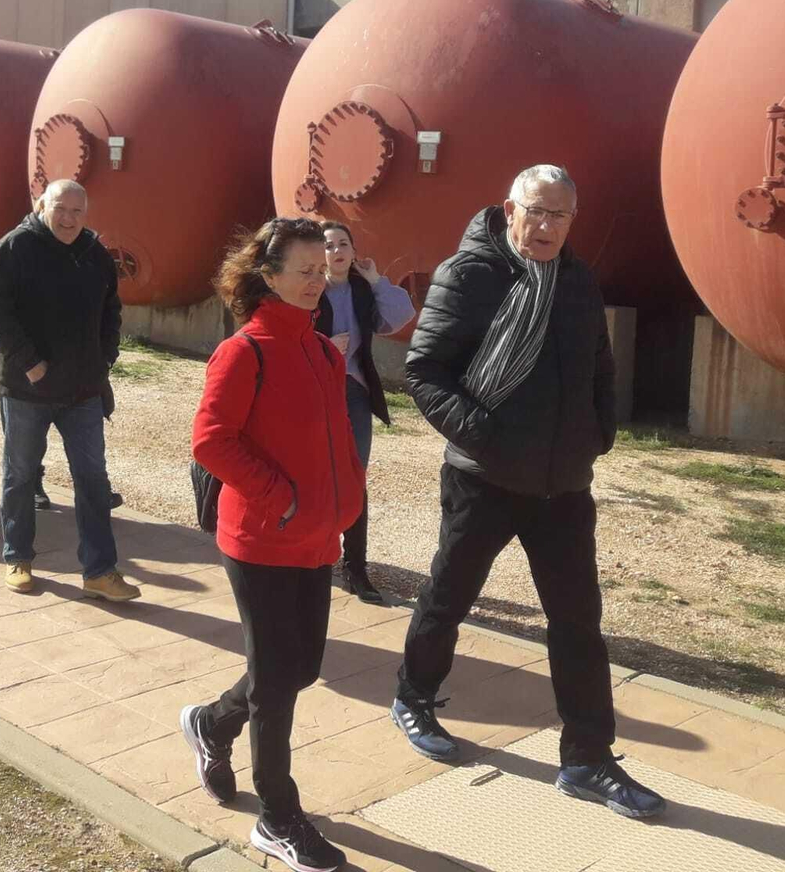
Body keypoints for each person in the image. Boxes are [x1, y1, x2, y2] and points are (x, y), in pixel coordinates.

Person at [388, 165, 666, 819]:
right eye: (535, 212)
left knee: (578, 624)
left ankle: (588, 761)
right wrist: (483, 434)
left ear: (574, 221)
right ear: (510, 209)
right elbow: (424, 370)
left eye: (559, 217)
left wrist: (599, 431)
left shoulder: (576, 280)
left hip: (562, 485)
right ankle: (414, 697)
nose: (545, 228)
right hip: (482, 477)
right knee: (449, 596)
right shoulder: (470, 274)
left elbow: (600, 359)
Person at [180, 217, 363, 872]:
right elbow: (210, 441)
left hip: (315, 538)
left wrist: (346, 502)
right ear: (269, 275)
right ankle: (278, 816)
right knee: (279, 682)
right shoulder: (244, 351)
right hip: (259, 539)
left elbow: (337, 440)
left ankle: (211, 722)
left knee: (299, 668)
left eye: (325, 269)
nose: (319, 281)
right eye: (306, 271)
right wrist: (281, 496)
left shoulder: (322, 351)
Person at [0, 179, 138, 603]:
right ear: (41, 205)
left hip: (83, 390)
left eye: (76, 212)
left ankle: (100, 571)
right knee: (21, 475)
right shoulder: (15, 248)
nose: (68, 219)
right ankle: (18, 557)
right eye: (60, 209)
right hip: (26, 389)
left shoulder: (94, 253)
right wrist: (31, 365)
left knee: (93, 481)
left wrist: (104, 359)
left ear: (86, 214)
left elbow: (112, 311)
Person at [317, 222, 416, 604]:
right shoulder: (310, 287)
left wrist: (376, 280)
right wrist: (322, 344)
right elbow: (290, 333)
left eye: (344, 244)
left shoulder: (360, 288)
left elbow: (399, 317)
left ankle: (356, 570)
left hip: (354, 390)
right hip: (316, 391)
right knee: (318, 474)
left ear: (354, 251)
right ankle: (316, 558)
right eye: (328, 245)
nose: (337, 251)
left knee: (355, 477)